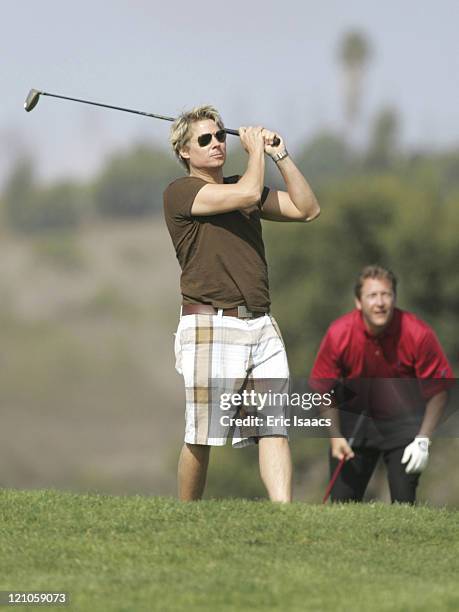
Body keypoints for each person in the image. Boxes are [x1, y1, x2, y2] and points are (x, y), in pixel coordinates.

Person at [163, 105, 320, 502]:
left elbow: (307, 209)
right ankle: (185, 516)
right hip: (210, 323)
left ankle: (284, 517)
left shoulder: (241, 187)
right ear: (184, 152)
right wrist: (254, 152)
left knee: (274, 426)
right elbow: (247, 192)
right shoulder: (181, 192)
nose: (216, 144)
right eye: (204, 140)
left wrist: (280, 155)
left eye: (220, 136)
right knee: (202, 435)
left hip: (261, 325)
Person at [310, 265, 453, 504]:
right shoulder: (339, 333)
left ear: (395, 298)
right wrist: (335, 436)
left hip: (404, 423)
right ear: (358, 302)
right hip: (353, 422)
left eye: (386, 294)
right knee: (341, 508)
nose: (380, 303)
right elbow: (323, 389)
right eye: (372, 296)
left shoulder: (418, 333)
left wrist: (423, 440)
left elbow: (439, 392)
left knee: (404, 506)